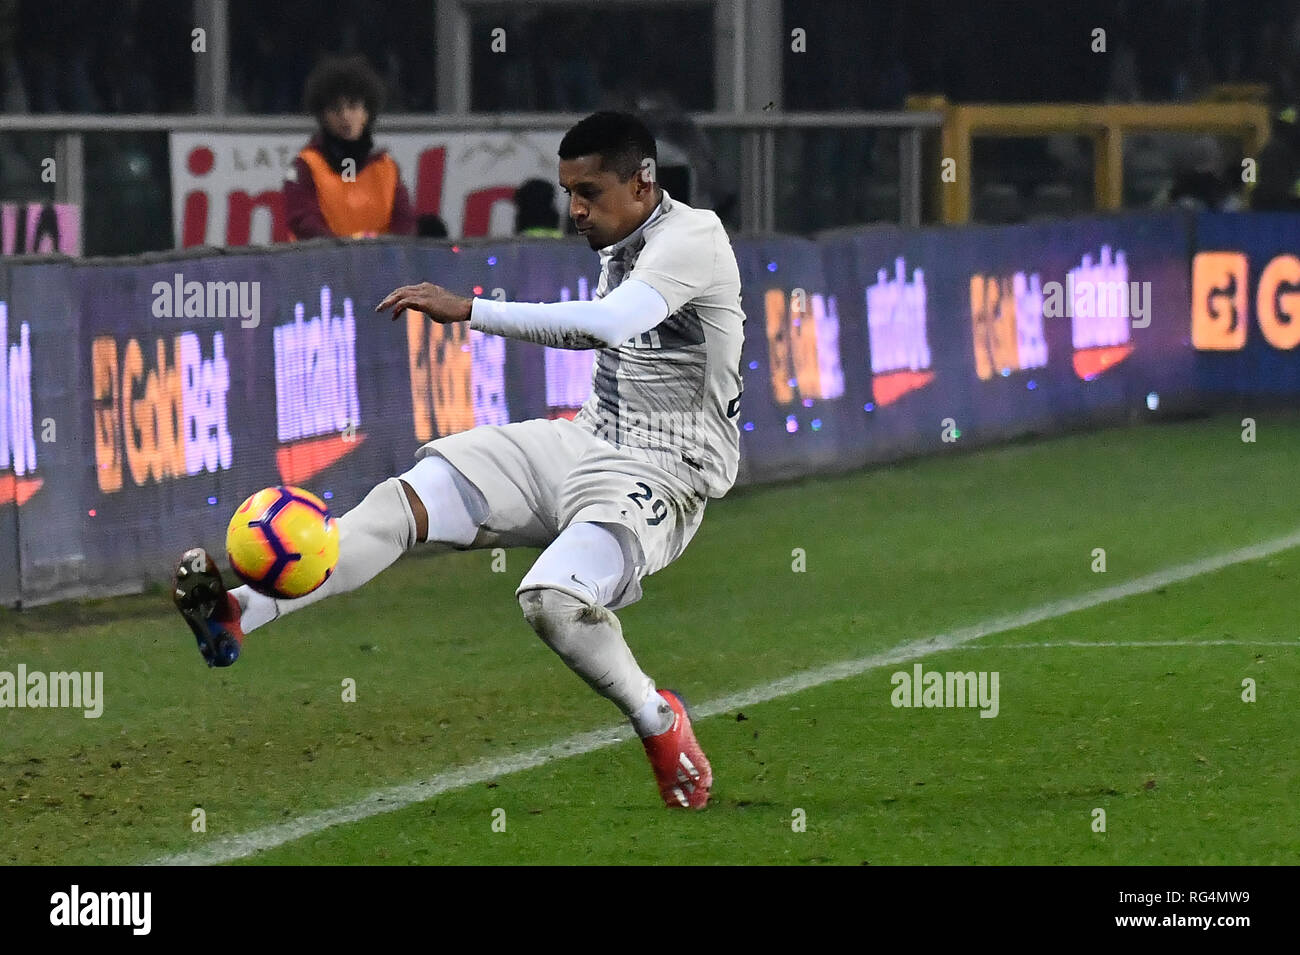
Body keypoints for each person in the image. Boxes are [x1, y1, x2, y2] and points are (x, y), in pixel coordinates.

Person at [173, 112, 746, 811]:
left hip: (665, 471)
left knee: (553, 601)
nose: (574, 210)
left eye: (589, 192)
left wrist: (470, 309)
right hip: (586, 439)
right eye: (568, 192)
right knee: (402, 501)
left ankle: (659, 721)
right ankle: (239, 613)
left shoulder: (694, 238)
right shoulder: (623, 234)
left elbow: (609, 325)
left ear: (643, 181)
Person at [283, 54, 415, 239]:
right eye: (336, 109)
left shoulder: (387, 167)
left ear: (367, 112)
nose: (345, 116)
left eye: (353, 106)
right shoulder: (306, 165)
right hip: (323, 265)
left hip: (379, 265)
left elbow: (405, 224)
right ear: (323, 116)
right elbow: (303, 221)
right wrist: (346, 252)